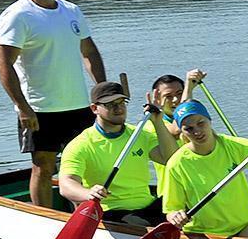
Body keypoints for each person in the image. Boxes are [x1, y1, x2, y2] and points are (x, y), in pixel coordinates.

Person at [0, 0, 107, 207]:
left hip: (78, 104)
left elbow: (88, 52)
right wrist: (23, 107)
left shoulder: (71, 11)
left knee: (86, 164)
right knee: (44, 167)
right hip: (40, 108)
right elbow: (4, 65)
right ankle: (44, 218)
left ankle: (88, 217)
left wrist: (102, 92)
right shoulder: (17, 15)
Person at [159, 101, 248, 239]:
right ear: (182, 131)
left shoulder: (231, 146)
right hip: (205, 235)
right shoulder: (177, 164)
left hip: (244, 227)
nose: (197, 132)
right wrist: (176, 217)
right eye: (189, 128)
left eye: (201, 123)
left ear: (209, 121)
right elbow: (171, 210)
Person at [56, 81, 178, 227]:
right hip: (111, 211)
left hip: (148, 206)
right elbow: (66, 184)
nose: (119, 108)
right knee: (141, 223)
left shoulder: (139, 134)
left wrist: (158, 122)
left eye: (122, 102)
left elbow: (171, 159)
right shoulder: (81, 144)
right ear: (95, 108)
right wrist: (88, 193)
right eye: (110, 104)